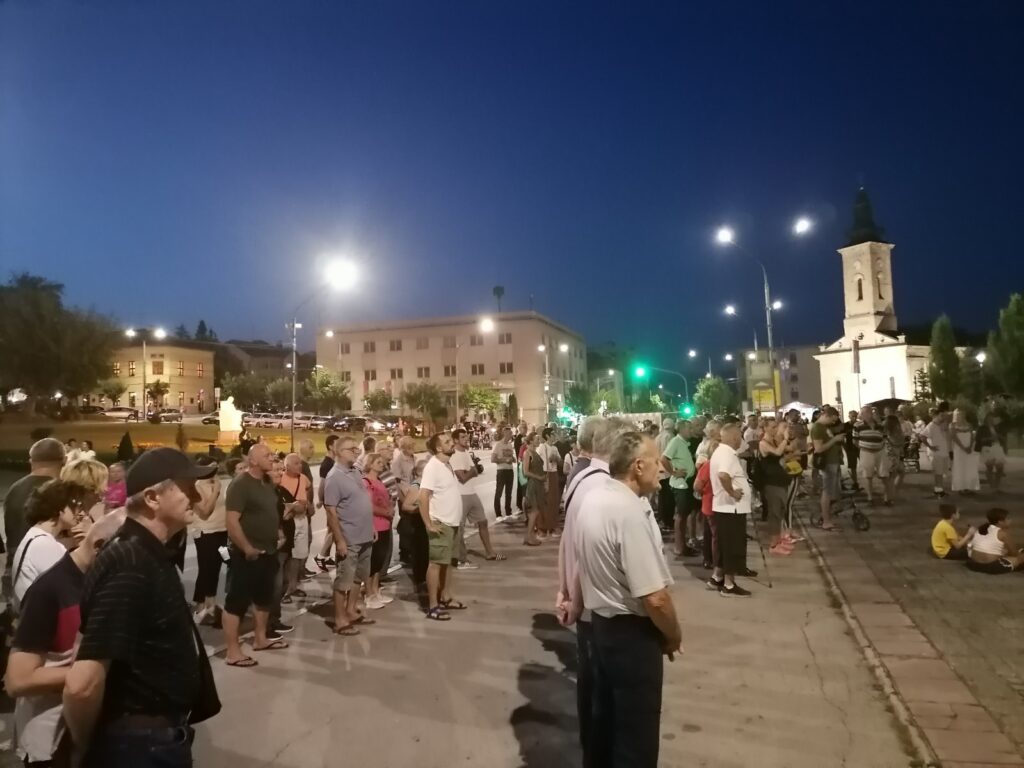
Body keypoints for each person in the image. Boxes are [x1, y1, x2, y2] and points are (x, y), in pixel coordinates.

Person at [62, 448, 220, 767]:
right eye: (187, 486)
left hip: (152, 741)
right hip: (139, 747)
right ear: (151, 498)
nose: (196, 495)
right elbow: (82, 684)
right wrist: (83, 748)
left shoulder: (147, 553)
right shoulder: (130, 562)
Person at [575, 429, 681, 767]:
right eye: (655, 461)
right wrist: (673, 634)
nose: (660, 468)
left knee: (605, 723)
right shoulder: (627, 512)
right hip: (632, 634)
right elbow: (656, 599)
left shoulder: (593, 498)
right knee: (636, 735)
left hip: (603, 628)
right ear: (637, 466)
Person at [4, 511, 125, 767]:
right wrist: (92, 672)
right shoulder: (49, 590)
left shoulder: (97, 581)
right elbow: (17, 680)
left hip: (85, 730)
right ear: (100, 547)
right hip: (51, 743)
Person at [222, 444, 289, 667]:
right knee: (236, 602)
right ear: (252, 461)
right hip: (246, 555)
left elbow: (271, 512)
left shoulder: (268, 483)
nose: (272, 458)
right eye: (267, 455)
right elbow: (231, 521)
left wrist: (278, 532)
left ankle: (260, 639)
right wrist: (247, 548)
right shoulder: (240, 485)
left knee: (264, 598)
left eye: (272, 454)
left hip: (268, 551)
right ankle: (233, 651)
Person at [323, 436, 375, 636]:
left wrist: (371, 527)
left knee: (358, 578)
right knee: (343, 580)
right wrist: (340, 540)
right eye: (351, 449)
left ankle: (351, 610)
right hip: (350, 537)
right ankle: (340, 619)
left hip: (365, 535)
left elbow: (361, 500)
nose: (356, 451)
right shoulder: (334, 477)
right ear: (338, 451)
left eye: (356, 448)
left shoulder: (355, 471)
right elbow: (331, 511)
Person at [11, 479, 93, 608]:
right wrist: (90, 540)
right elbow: (73, 590)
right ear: (60, 507)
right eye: (77, 505)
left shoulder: (36, 536)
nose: (81, 512)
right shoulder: (44, 545)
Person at [2, 438, 67, 598]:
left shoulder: (14, 488)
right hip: (48, 568)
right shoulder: (59, 491)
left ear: (31, 460)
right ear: (64, 460)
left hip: (15, 566)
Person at [419, 432, 467, 621]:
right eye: (447, 441)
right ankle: (433, 606)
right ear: (439, 448)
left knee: (448, 563)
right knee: (436, 564)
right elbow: (423, 496)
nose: (452, 443)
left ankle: (446, 597)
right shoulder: (433, 467)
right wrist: (429, 524)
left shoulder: (447, 464)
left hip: (452, 522)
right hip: (441, 523)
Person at [709, 422, 754, 596]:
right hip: (730, 508)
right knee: (732, 546)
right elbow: (723, 475)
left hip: (726, 507)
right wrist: (732, 492)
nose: (740, 440)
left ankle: (717, 577)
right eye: (739, 437)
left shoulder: (721, 452)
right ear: (734, 437)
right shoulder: (727, 454)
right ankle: (729, 585)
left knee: (723, 544)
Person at [450, 428, 502, 563]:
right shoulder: (454, 455)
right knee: (459, 528)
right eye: (462, 437)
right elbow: (462, 477)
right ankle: (460, 558)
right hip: (460, 495)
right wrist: (471, 471)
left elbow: (475, 470)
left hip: (471, 492)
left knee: (483, 521)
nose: (466, 439)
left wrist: (471, 471)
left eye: (466, 436)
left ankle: (490, 552)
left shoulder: (466, 452)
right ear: (455, 440)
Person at [190, 456, 226, 628]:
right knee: (206, 568)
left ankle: (211, 605)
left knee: (217, 567)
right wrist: (215, 492)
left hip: (222, 531)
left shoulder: (216, 482)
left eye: (216, 466)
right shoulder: (196, 487)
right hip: (205, 532)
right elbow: (204, 511)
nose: (215, 470)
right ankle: (201, 606)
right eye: (211, 467)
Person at [759, 418, 798, 555]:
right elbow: (776, 452)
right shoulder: (763, 443)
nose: (775, 429)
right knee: (774, 513)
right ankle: (773, 544)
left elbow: (786, 451)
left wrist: (786, 438)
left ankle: (779, 540)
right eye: (772, 427)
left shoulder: (775, 440)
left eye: (776, 427)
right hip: (771, 482)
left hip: (780, 480)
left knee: (781, 510)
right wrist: (785, 439)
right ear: (765, 428)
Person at [362, 453, 396, 610]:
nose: (382, 464)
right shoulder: (366, 482)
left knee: (379, 561)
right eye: (378, 462)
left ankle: (375, 590)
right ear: (370, 463)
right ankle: (368, 594)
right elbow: (368, 505)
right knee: (372, 561)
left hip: (385, 524)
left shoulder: (380, 481)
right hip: (375, 524)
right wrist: (386, 512)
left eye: (383, 462)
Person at [661, 421, 696, 559]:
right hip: (679, 484)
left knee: (684, 515)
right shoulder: (675, 441)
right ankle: (678, 547)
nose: (691, 430)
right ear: (681, 430)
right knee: (680, 516)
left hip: (685, 483)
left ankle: (683, 545)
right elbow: (663, 458)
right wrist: (673, 472)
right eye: (690, 428)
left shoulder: (683, 442)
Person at [399, 459, 429, 600]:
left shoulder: (426, 484)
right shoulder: (416, 486)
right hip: (418, 524)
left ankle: (425, 582)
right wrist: (421, 510)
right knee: (420, 555)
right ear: (419, 472)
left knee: (426, 554)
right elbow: (406, 506)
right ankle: (420, 583)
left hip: (424, 523)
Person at [810, 406, 844, 531]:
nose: (833, 422)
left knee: (830, 491)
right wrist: (835, 439)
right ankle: (826, 521)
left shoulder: (824, 427)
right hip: (827, 463)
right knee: (827, 491)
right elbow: (818, 448)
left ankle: (827, 517)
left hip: (833, 462)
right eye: (833, 419)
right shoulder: (818, 428)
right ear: (827, 416)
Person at [966, 508, 1024, 574]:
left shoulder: (981, 528)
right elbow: (1014, 554)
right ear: (1000, 522)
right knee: (1020, 558)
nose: (1010, 521)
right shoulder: (1003, 533)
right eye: (1008, 519)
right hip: (990, 566)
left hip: (974, 563)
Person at [314, 434, 340, 571]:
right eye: (337, 444)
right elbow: (323, 485)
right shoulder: (327, 464)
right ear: (330, 446)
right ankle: (321, 555)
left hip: (333, 501)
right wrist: (320, 500)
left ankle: (326, 555)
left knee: (331, 528)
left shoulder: (333, 462)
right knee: (333, 528)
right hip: (330, 502)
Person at [854, 406, 890, 505]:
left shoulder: (880, 425)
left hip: (880, 451)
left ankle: (887, 498)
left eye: (869, 412)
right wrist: (864, 447)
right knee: (867, 475)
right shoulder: (858, 425)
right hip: (866, 452)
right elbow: (855, 440)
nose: (867, 415)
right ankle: (870, 498)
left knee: (884, 475)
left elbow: (884, 437)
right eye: (864, 413)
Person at [521, 433, 547, 547]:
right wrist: (539, 477)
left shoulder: (535, 452)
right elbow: (525, 472)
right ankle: (528, 536)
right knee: (534, 511)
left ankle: (530, 536)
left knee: (536, 511)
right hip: (533, 484)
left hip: (539, 484)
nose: (538, 440)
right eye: (536, 439)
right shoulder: (528, 453)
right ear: (531, 441)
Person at [920, 411, 952, 497]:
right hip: (937, 453)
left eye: (944, 416)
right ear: (936, 416)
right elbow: (922, 436)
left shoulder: (943, 425)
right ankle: (938, 490)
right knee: (938, 472)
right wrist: (930, 447)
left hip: (944, 452)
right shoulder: (931, 426)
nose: (943, 418)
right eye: (941, 416)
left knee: (941, 472)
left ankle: (939, 489)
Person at [975, 412, 1006, 493]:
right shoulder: (982, 428)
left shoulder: (997, 427)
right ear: (986, 419)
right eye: (989, 419)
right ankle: (992, 486)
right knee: (990, 467)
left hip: (997, 447)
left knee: (1000, 467)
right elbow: (979, 439)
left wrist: (999, 436)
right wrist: (990, 438)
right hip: (987, 448)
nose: (991, 420)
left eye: (992, 418)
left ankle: (996, 485)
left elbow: (1003, 438)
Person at [538, 428, 562, 536]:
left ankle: (552, 525)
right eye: (552, 434)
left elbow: (560, 462)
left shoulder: (555, 448)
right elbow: (538, 461)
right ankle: (543, 527)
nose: (554, 435)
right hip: (546, 473)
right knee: (545, 500)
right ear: (547, 436)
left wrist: (556, 458)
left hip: (554, 473)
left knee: (554, 501)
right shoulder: (542, 447)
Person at [950, 408, 980, 494]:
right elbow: (954, 438)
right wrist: (963, 448)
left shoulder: (969, 425)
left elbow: (972, 437)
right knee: (960, 467)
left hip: (969, 448)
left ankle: (969, 486)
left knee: (969, 467)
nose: (960, 416)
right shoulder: (952, 425)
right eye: (958, 414)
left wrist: (970, 447)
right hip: (959, 448)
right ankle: (960, 487)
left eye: (962, 414)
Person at [490, 425, 517, 520]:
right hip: (501, 471)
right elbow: (493, 459)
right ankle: (498, 514)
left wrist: (512, 459)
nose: (511, 435)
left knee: (508, 493)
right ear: (504, 433)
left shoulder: (510, 445)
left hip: (510, 470)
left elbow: (513, 458)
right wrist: (505, 460)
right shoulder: (498, 445)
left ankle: (508, 512)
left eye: (511, 433)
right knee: (499, 492)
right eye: (510, 433)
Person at [655, 418, 677, 530]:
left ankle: (662, 518)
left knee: (662, 496)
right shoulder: (671, 437)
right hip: (668, 470)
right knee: (669, 497)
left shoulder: (658, 437)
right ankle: (668, 520)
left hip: (659, 469)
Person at [883, 414, 907, 502]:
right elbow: (900, 445)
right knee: (896, 475)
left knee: (891, 478)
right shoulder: (898, 433)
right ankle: (890, 497)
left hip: (888, 456)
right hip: (895, 456)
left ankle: (889, 496)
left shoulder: (885, 432)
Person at [843, 410, 861, 490]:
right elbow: (842, 436)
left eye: (855, 416)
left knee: (864, 464)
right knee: (853, 466)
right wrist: (845, 447)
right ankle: (855, 482)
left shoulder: (860, 424)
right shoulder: (845, 425)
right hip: (850, 447)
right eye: (852, 416)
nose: (853, 417)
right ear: (849, 416)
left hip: (859, 447)